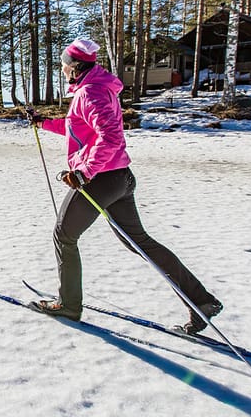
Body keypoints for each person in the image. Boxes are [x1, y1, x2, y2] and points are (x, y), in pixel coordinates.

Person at [29, 37, 222, 334]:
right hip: (119, 177)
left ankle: (68, 306)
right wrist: (43, 122)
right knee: (139, 242)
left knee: (64, 235)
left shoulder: (90, 93)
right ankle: (201, 301)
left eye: (65, 66)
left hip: (101, 179)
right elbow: (76, 127)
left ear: (75, 67)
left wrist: (85, 172)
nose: (63, 70)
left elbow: (111, 137)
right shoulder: (94, 89)